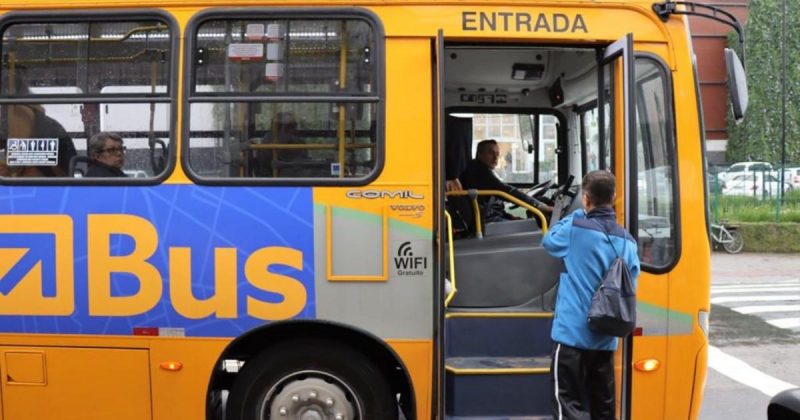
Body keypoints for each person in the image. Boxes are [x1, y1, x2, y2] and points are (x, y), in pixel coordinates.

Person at [542, 170, 640, 420]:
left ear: (585, 198)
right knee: (603, 406)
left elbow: (550, 242)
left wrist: (575, 214)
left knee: (566, 403)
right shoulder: (627, 242)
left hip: (571, 335)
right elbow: (632, 280)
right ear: (614, 197)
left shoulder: (576, 227)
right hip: (605, 337)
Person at [0, 71, 76, 177]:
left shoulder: (18, 114)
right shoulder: (33, 112)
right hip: (55, 171)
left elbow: (16, 162)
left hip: (43, 176)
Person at [459, 139, 551, 221]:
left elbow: (494, 206)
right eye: (491, 153)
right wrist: (538, 205)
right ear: (479, 154)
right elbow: (504, 189)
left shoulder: (481, 169)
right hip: (487, 221)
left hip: (489, 217)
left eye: (497, 154)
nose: (495, 158)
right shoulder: (479, 171)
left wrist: (510, 217)